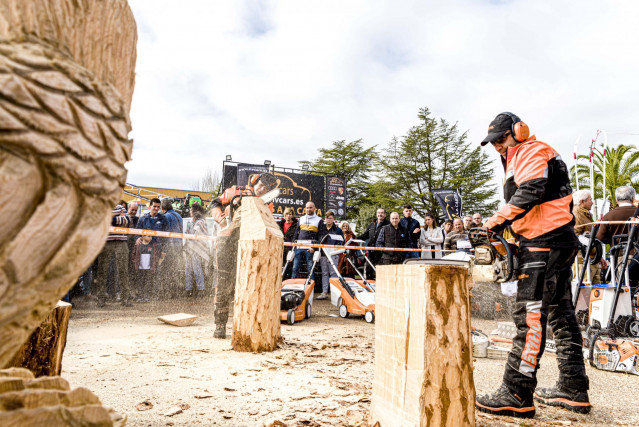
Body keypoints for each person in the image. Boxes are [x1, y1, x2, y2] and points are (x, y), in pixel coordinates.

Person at [475, 112, 589, 418]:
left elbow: (532, 191)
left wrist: (493, 223)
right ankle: (573, 387)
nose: (498, 146)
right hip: (553, 240)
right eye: (494, 143)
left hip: (544, 242)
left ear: (518, 131)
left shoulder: (531, 150)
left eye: (501, 139)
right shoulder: (520, 156)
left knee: (530, 316)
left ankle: (516, 391)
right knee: (561, 315)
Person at [210, 172, 280, 339]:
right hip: (227, 241)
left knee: (246, 284)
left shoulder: (266, 204)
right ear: (255, 182)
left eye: (266, 188)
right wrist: (221, 219)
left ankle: (244, 323)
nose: (262, 189)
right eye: (261, 185)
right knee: (223, 283)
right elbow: (214, 203)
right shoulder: (236, 192)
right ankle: (220, 324)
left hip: (249, 244)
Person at [596, 186, 638, 292]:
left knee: (623, 288)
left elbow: (600, 237)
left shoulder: (609, 216)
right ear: (633, 198)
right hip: (637, 254)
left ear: (617, 200)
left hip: (620, 256)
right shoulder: (636, 213)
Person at [94, 205, 134, 307]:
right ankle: (101, 298)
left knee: (123, 270)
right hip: (105, 242)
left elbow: (127, 220)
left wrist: (110, 218)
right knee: (102, 271)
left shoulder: (121, 207)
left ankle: (125, 298)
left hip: (121, 242)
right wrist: (118, 219)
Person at [135, 198, 169, 299]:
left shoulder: (163, 219)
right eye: (154, 206)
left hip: (157, 249)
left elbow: (166, 235)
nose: (156, 208)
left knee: (156, 272)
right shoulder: (143, 218)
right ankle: (141, 294)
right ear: (150, 206)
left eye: (158, 207)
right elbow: (136, 231)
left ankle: (154, 294)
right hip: (144, 249)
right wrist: (137, 239)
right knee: (143, 272)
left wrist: (164, 250)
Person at [572, 190, 606, 284]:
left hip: (590, 260)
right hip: (582, 261)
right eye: (590, 200)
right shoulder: (577, 215)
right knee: (584, 293)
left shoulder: (585, 214)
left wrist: (598, 257)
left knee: (595, 292)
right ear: (582, 201)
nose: (592, 202)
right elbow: (575, 236)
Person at [291, 201, 327, 281]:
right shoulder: (301, 219)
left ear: (314, 208)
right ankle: (292, 286)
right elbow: (296, 233)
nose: (309, 209)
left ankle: (311, 289)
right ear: (305, 209)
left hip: (310, 248)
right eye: (307, 208)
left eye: (310, 207)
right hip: (299, 247)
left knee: (310, 269)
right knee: (295, 268)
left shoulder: (319, 220)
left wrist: (315, 248)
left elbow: (321, 236)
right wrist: (294, 245)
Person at [184, 203, 209, 297]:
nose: (190, 211)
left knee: (197, 268)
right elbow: (187, 234)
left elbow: (196, 232)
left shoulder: (201, 222)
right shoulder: (190, 222)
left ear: (195, 211)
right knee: (187, 269)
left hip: (197, 248)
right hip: (189, 248)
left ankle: (201, 289)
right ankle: (188, 289)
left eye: (191, 210)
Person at [160, 198, 184, 296]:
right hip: (179, 245)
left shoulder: (166, 216)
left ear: (162, 208)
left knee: (166, 270)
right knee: (175, 269)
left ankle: (167, 291)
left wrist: (164, 249)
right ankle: (176, 291)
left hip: (171, 247)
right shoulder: (179, 216)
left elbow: (167, 233)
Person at [317, 211, 344, 300]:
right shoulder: (321, 229)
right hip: (324, 254)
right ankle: (324, 292)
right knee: (324, 273)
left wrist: (338, 247)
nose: (329, 220)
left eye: (330, 218)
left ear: (333, 219)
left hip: (333, 254)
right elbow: (318, 240)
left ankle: (334, 293)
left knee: (333, 273)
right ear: (325, 219)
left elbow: (341, 241)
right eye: (327, 218)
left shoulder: (338, 230)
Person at [357, 208, 389, 278]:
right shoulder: (372, 224)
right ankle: (369, 286)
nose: (380, 214)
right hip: (371, 252)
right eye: (378, 213)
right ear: (376, 214)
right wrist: (355, 239)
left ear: (385, 215)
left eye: (382, 213)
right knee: (369, 270)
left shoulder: (388, 225)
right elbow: (365, 235)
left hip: (382, 253)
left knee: (380, 272)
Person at [130, 235, 159, 302]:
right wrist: (135, 263)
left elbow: (155, 257)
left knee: (147, 282)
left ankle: (146, 296)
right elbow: (133, 255)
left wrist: (153, 266)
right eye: (148, 236)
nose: (150, 237)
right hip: (140, 268)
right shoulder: (138, 245)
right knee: (140, 282)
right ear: (142, 236)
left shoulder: (152, 246)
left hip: (148, 268)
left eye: (151, 236)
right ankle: (139, 296)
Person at [279, 207, 298, 280]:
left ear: (292, 215)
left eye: (290, 214)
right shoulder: (280, 224)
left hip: (290, 248)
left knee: (289, 266)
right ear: (284, 215)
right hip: (281, 248)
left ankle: (286, 281)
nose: (288, 216)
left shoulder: (295, 225)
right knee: (281, 265)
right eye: (287, 214)